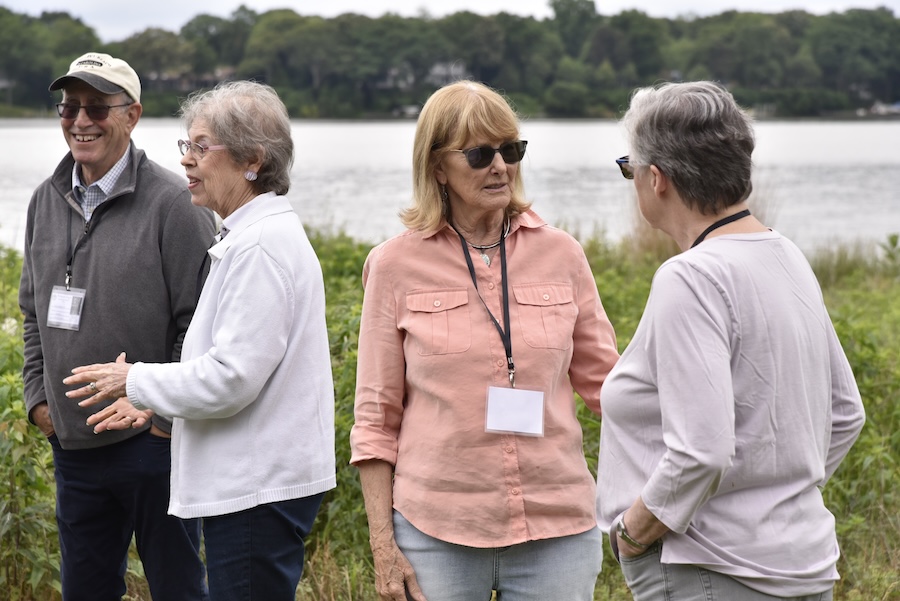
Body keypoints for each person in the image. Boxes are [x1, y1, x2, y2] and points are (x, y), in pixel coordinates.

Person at [64, 80, 337, 601]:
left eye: (201, 146)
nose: (187, 160)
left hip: (257, 489)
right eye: (186, 145)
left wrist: (135, 380)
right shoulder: (248, 235)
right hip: (252, 485)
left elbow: (231, 378)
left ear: (252, 159)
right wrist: (149, 398)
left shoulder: (260, 246)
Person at [349, 80, 620, 601]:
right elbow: (376, 419)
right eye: (478, 154)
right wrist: (384, 546)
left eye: (510, 150)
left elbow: (611, 389)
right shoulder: (394, 265)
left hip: (558, 527)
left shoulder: (563, 254)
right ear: (436, 167)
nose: (500, 166)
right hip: (435, 532)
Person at [596, 81, 867, 600]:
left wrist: (632, 534)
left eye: (628, 167)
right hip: (801, 563)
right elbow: (845, 412)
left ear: (657, 179)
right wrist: (775, 500)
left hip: (708, 569)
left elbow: (702, 452)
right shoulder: (786, 255)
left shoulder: (691, 277)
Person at [18, 51, 212, 600]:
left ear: (132, 115)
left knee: (179, 589)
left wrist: (161, 420)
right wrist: (42, 405)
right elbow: (32, 312)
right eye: (69, 108)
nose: (81, 121)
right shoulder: (44, 202)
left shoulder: (176, 203)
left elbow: (199, 325)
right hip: (73, 447)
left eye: (98, 108)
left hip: (152, 450)